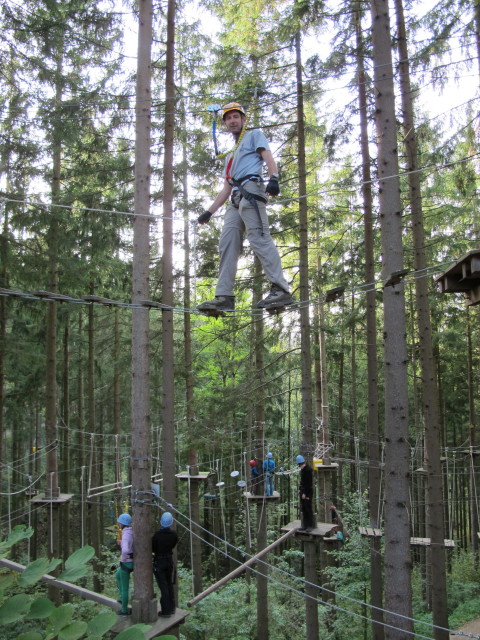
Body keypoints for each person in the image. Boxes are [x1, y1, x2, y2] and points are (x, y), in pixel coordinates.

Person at [197, 101, 294, 313]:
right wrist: (209, 212)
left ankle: (280, 289)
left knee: (258, 237)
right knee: (228, 243)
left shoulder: (253, 135)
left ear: (243, 119)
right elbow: (225, 187)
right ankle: (224, 296)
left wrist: (274, 177)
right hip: (234, 197)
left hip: (251, 189)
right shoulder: (230, 155)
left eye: (235, 117)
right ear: (225, 123)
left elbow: (268, 156)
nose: (232, 121)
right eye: (228, 118)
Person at [152, 511, 178, 617]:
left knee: (163, 586)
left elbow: (153, 548)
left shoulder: (157, 536)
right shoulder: (174, 535)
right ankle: (171, 608)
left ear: (161, 522)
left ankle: (166, 611)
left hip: (160, 561)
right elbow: (173, 545)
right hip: (169, 561)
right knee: (169, 584)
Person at [115, 513, 133, 616]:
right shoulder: (130, 531)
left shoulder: (126, 534)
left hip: (126, 562)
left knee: (125, 587)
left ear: (122, 523)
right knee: (117, 575)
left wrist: (126, 555)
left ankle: (124, 610)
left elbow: (126, 550)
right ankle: (122, 598)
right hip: (131, 561)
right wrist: (121, 542)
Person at [296, 455, 315, 531]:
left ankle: (310, 525)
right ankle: (305, 525)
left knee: (308, 508)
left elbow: (308, 484)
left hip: (307, 492)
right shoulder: (303, 470)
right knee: (304, 508)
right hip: (303, 491)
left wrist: (305, 493)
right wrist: (300, 490)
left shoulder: (307, 470)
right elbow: (302, 482)